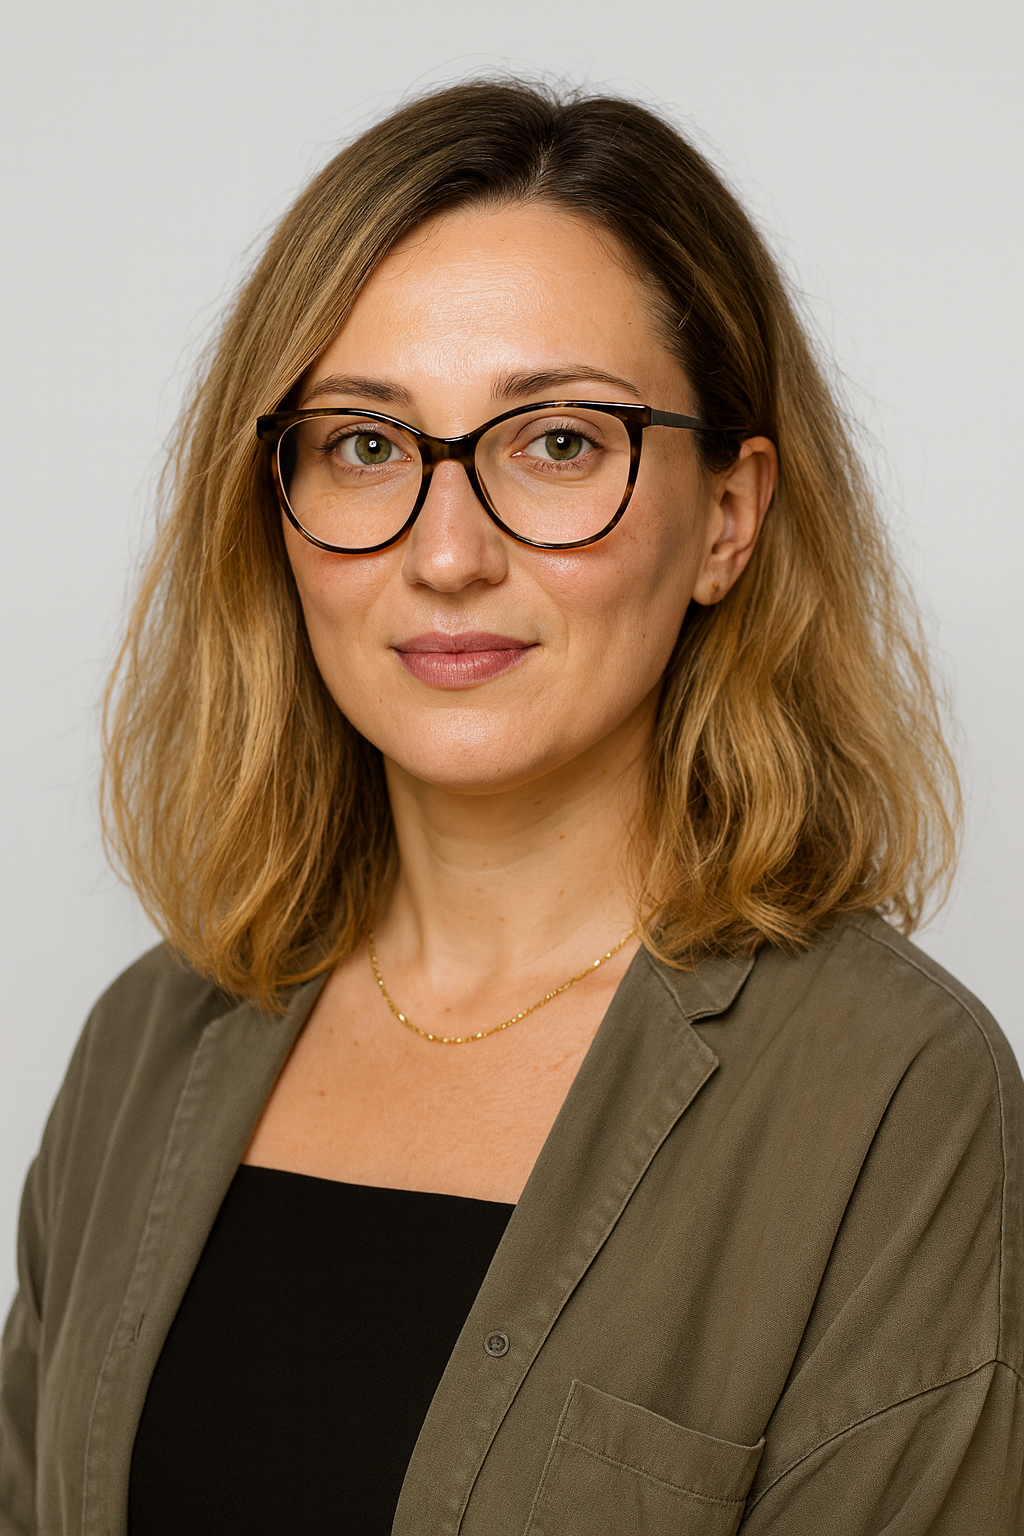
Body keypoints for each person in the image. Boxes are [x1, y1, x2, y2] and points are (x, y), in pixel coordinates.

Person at [1, 78, 1020, 1536]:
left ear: (727, 518)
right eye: (365, 444)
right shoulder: (148, 1043)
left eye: (556, 443)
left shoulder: (893, 1101)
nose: (448, 552)